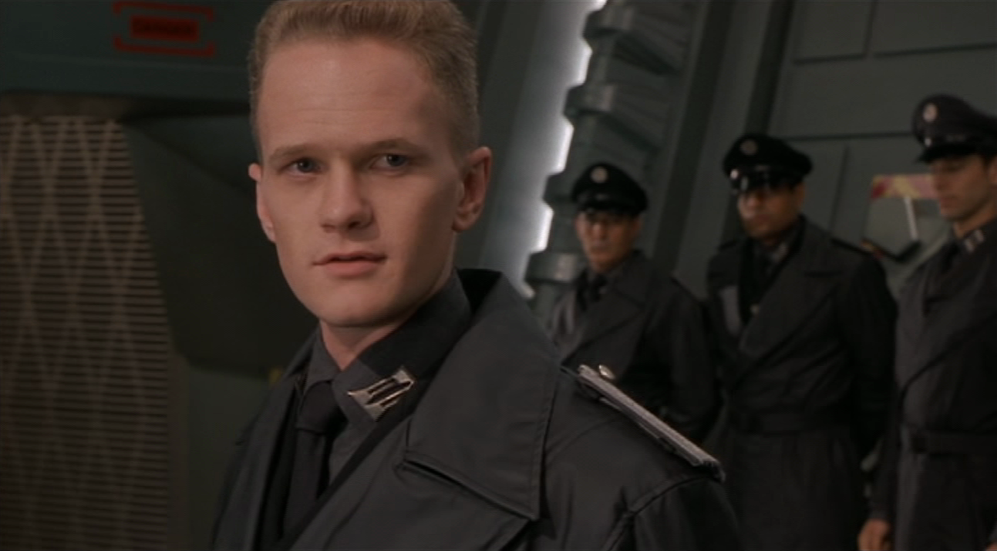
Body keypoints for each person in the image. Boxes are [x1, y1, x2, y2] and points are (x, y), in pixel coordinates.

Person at [211, 2, 742, 550]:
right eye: (303, 166)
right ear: (264, 202)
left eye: (390, 161)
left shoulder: (628, 495)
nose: (342, 209)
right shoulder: (270, 437)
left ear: (468, 189)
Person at [704, 133, 896, 550]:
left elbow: (878, 382)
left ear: (798, 192)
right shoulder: (724, 266)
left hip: (809, 459)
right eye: (745, 192)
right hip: (735, 451)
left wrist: (835, 445)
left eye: (769, 189)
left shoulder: (846, 271)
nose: (755, 202)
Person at [858, 94, 997, 551]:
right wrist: (882, 507)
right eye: (934, 167)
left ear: (994, 170)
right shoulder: (923, 278)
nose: (939, 180)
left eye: (954, 166)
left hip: (976, 499)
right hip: (914, 493)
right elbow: (901, 406)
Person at [546, 163, 718, 442]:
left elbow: (694, 405)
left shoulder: (668, 301)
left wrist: (649, 458)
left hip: (623, 452)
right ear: (578, 225)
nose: (599, 232)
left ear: (635, 226)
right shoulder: (568, 298)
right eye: (591, 219)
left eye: (613, 220)